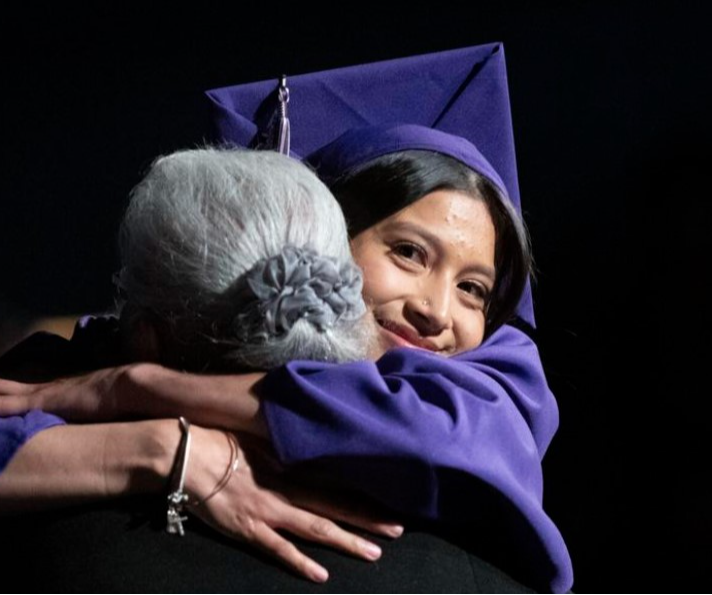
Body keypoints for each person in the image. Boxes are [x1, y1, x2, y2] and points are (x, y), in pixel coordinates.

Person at [0, 43, 573, 593]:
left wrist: (139, 389)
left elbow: (452, 433)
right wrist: (165, 449)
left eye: (474, 288)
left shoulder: (490, 397)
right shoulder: (93, 360)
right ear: (320, 234)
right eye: (408, 253)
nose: (435, 309)